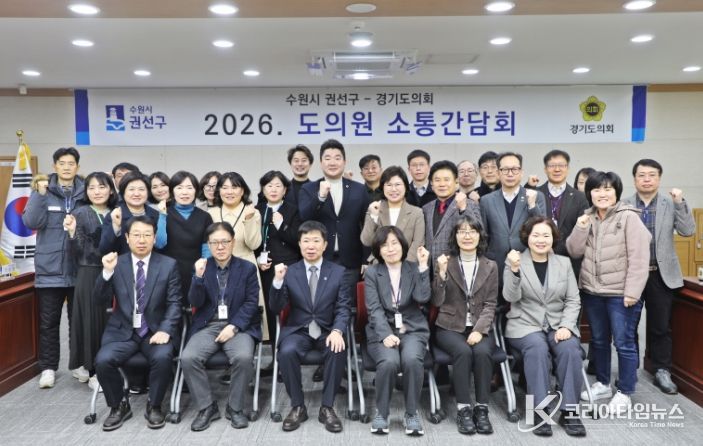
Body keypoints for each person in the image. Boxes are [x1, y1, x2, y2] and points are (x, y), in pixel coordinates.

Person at [566, 171, 651, 415]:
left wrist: (632, 292)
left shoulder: (629, 217)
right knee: (599, 340)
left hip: (620, 294)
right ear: (589, 193)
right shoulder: (587, 217)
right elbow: (574, 251)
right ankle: (603, 383)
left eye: (607, 189)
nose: (602, 194)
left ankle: (625, 391)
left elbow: (639, 258)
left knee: (624, 343)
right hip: (592, 292)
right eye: (596, 189)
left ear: (616, 192)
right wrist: (580, 228)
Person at [94, 216, 182, 431]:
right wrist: (106, 272)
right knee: (103, 360)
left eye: (146, 235)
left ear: (154, 238)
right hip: (122, 331)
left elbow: (175, 303)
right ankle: (118, 406)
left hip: (154, 330)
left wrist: (165, 329)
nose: (141, 240)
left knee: (162, 357)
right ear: (127, 237)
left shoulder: (168, 265)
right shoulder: (116, 263)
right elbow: (99, 299)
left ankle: (155, 405)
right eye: (136, 235)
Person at [503, 217, 585, 437]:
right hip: (524, 324)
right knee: (537, 349)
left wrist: (567, 326)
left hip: (558, 323)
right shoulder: (515, 260)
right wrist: (514, 270)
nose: (541, 240)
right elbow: (510, 296)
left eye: (546, 235)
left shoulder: (563, 263)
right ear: (527, 238)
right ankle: (540, 412)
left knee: (570, 349)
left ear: (553, 238)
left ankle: (569, 411)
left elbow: (573, 300)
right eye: (536, 235)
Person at [269, 221, 351, 433]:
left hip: (327, 330)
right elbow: (276, 307)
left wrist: (337, 330)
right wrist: (277, 281)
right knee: (286, 351)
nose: (311, 246)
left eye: (316, 240)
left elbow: (344, 307)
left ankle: (327, 407)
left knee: (337, 348)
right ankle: (298, 406)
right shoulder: (290, 272)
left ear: (325, 245)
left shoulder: (338, 272)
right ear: (299, 244)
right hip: (299, 330)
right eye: (306, 241)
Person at [623, 159, 696, 394]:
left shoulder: (670, 203)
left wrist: (680, 202)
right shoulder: (623, 205)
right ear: (634, 179)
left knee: (660, 327)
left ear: (659, 178)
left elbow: (688, 231)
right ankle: (629, 370)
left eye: (652, 175)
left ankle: (662, 371)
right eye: (641, 175)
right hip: (631, 275)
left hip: (660, 275)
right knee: (628, 327)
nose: (647, 179)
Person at [181, 222, 262, 431]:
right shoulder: (202, 267)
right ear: (208, 245)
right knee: (188, 358)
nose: (220, 246)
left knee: (243, 358)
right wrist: (198, 277)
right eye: (214, 242)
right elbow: (195, 302)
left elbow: (251, 303)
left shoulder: (247, 268)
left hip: (238, 326)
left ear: (233, 242)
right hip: (208, 325)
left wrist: (234, 326)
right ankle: (207, 407)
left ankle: (235, 408)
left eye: (225, 241)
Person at [22, 147, 86, 389]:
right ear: (54, 166)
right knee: (49, 323)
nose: (67, 167)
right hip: (50, 269)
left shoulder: (85, 192)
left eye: (71, 163)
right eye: (62, 163)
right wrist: (39, 194)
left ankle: (79, 364)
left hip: (79, 267)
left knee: (78, 322)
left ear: (77, 167)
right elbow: (31, 222)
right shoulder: (43, 190)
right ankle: (48, 367)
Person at [432, 215, 497, 435]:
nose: (467, 236)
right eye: (462, 231)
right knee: (463, 351)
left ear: (480, 236)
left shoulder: (490, 266)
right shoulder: (446, 262)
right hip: (448, 326)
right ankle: (463, 409)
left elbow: (490, 304)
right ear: (455, 236)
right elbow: (436, 301)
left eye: (472, 231)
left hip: (479, 326)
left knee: (483, 352)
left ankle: (481, 409)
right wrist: (441, 274)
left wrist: (479, 330)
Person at [364, 227, 430, 436]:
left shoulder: (413, 268)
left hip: (412, 329)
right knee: (389, 362)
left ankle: (411, 413)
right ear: (378, 250)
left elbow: (422, 298)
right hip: (381, 329)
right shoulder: (373, 273)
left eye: (394, 243)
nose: (390, 249)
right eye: (384, 245)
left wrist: (423, 267)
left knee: (412, 359)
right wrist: (385, 334)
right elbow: (373, 309)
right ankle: (382, 413)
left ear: (402, 245)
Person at [65, 171, 118, 391]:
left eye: (102, 187)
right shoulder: (80, 213)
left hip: (117, 272)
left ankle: (113, 366)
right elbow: (76, 252)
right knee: (92, 322)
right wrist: (72, 233)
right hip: (89, 273)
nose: (97, 192)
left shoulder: (118, 211)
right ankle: (94, 370)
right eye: (91, 188)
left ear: (111, 190)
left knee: (113, 321)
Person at [299, 139, 368, 302]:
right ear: (321, 162)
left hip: (350, 260)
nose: (332, 162)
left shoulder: (359, 189)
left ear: (344, 162)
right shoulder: (309, 189)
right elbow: (305, 219)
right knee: (322, 304)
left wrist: (366, 259)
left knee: (348, 306)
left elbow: (366, 224)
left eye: (337, 158)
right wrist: (320, 197)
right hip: (320, 259)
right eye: (327, 158)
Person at [480, 152, 546, 284]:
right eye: (505, 170)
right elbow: (483, 234)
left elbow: (543, 229)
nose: (510, 174)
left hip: (527, 262)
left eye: (514, 169)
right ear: (498, 173)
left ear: (521, 172)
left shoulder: (536, 196)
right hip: (496, 264)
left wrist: (532, 206)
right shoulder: (486, 200)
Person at [255, 170, 302, 356]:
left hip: (288, 267)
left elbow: (298, 240)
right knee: (270, 310)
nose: (273, 189)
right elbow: (253, 241)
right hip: (265, 268)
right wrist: (258, 260)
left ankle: (288, 355)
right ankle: (276, 359)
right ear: (263, 189)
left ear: (285, 190)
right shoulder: (257, 210)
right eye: (269, 186)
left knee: (288, 310)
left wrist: (282, 226)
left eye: (278, 186)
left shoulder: (293, 210)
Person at [158, 171, 213, 299]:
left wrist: (201, 272)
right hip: (168, 274)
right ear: (172, 191)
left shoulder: (204, 217)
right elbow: (160, 244)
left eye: (189, 188)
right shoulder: (163, 214)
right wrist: (162, 215)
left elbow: (207, 250)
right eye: (179, 188)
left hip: (196, 273)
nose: (184, 192)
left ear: (196, 191)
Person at [423, 160, 481, 267]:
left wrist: (463, 208)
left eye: (447, 179)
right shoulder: (426, 208)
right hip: (430, 268)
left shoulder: (470, 204)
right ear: (431, 184)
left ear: (456, 182)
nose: (442, 184)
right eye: (437, 180)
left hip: (457, 267)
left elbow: (479, 232)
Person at [536, 150, 589, 267]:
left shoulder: (580, 197)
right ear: (545, 169)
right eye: (552, 165)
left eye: (561, 165)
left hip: (570, 261)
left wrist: (559, 249)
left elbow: (581, 233)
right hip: (539, 258)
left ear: (568, 168)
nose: (557, 169)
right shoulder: (536, 194)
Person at [361, 166, 425, 263]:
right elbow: (366, 241)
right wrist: (373, 216)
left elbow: (418, 243)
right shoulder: (374, 209)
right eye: (389, 185)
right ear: (382, 187)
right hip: (379, 265)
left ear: (405, 186)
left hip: (407, 266)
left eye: (398, 184)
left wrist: (402, 267)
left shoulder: (416, 213)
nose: (393, 189)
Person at [100, 171, 165, 255]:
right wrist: (115, 227)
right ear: (123, 192)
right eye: (131, 189)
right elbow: (104, 250)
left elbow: (162, 247)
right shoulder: (114, 215)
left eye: (141, 189)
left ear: (148, 192)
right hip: (122, 262)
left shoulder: (156, 215)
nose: (136, 194)